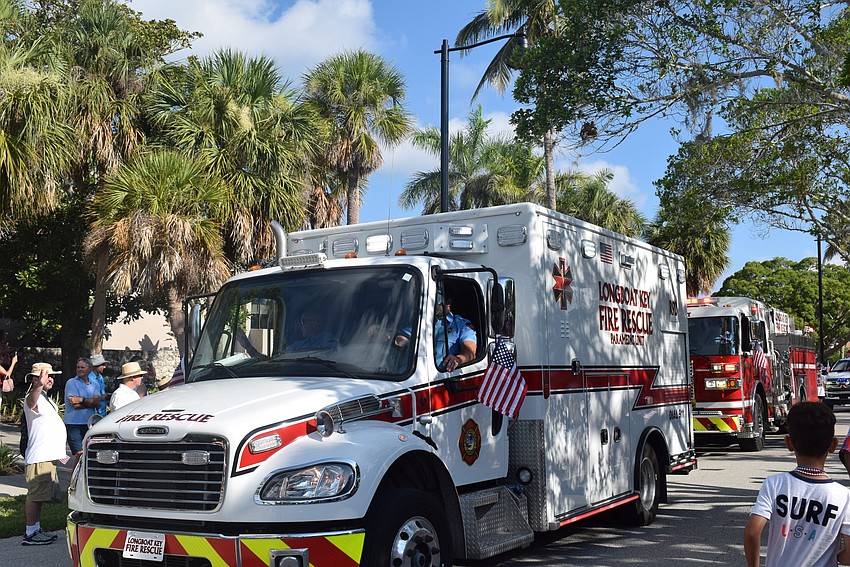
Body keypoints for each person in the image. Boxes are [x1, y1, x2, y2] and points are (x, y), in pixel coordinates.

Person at [743, 401, 850, 567]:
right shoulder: (844, 496)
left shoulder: (774, 485)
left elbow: (751, 533)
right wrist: (836, 556)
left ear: (789, 443)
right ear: (833, 445)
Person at [22, 362, 66, 546]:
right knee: (35, 496)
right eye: (47, 376)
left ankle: (36, 528)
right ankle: (30, 532)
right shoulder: (33, 397)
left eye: (51, 376)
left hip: (47, 456)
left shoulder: (46, 399)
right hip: (39, 457)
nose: (51, 379)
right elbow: (31, 402)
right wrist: (39, 385)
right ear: (36, 378)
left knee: (40, 496)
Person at [64, 358, 106, 457]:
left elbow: (97, 403)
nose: (79, 369)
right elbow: (74, 404)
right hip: (73, 424)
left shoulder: (95, 384)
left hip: (89, 424)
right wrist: (91, 402)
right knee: (80, 454)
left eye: (82, 367)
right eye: (78, 367)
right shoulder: (71, 382)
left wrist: (81, 400)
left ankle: (78, 468)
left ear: (90, 369)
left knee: (88, 454)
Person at [434, 296, 477, 371]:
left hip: (443, 374)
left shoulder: (461, 325)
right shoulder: (421, 324)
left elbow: (470, 352)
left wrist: (458, 359)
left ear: (448, 302)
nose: (432, 304)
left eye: (437, 301)